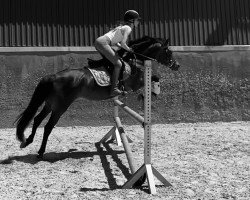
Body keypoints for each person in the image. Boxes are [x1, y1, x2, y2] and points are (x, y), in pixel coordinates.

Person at [94, 10, 141, 96]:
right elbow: (123, 43)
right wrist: (129, 49)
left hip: (99, 41)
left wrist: (121, 47)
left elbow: (116, 42)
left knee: (110, 62)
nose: (138, 22)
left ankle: (106, 82)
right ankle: (114, 89)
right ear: (132, 20)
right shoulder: (128, 28)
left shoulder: (121, 27)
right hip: (103, 43)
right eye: (137, 20)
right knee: (118, 64)